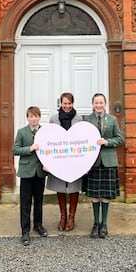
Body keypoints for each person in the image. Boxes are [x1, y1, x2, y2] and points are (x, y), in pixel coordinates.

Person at [84, 93, 123, 239]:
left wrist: (106, 142)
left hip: (108, 161)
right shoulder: (87, 120)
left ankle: (104, 224)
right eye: (96, 103)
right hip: (93, 162)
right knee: (94, 195)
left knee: (106, 196)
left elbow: (119, 139)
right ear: (92, 104)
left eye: (101, 102)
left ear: (105, 104)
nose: (98, 105)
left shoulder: (112, 119)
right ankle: (95, 224)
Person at [46, 92, 83, 231]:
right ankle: (63, 216)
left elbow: (82, 139)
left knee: (74, 187)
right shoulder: (53, 119)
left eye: (69, 103)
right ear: (60, 103)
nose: (67, 106)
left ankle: (72, 217)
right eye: (64, 103)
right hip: (59, 158)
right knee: (60, 187)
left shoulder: (79, 119)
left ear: (73, 103)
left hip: (74, 159)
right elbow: (48, 139)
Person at [13, 106, 48, 246]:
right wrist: (30, 148)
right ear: (27, 118)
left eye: (36, 116)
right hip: (27, 172)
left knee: (39, 201)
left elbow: (49, 150)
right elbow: (15, 150)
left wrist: (48, 163)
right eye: (31, 116)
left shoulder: (45, 132)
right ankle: (25, 231)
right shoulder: (22, 132)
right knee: (25, 203)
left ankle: (38, 226)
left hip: (40, 171)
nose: (34, 119)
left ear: (39, 117)